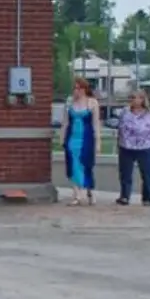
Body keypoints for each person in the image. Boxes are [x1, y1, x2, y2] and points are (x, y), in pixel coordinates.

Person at [116, 90, 150, 206]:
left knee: (148, 174)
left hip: (147, 147)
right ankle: (124, 196)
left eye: (136, 97)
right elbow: (120, 128)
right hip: (127, 147)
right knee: (125, 174)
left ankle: (147, 198)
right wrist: (118, 142)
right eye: (131, 97)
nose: (133, 100)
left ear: (143, 100)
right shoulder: (125, 112)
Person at [60, 77, 100, 205]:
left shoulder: (92, 103)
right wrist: (62, 138)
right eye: (74, 88)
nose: (76, 91)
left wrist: (98, 142)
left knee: (86, 165)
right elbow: (65, 123)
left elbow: (96, 124)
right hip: (72, 138)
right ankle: (77, 194)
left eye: (79, 88)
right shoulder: (69, 103)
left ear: (84, 89)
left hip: (86, 139)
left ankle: (90, 190)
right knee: (72, 165)